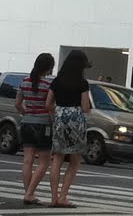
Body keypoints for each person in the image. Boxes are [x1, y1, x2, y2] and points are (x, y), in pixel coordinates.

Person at [44, 49, 92, 208]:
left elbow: (48, 103)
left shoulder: (57, 81)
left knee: (57, 158)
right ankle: (63, 196)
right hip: (76, 121)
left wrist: (56, 113)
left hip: (60, 117)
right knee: (74, 160)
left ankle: (53, 197)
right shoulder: (82, 83)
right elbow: (85, 107)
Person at [17, 52, 56, 206]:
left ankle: (28, 192)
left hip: (26, 123)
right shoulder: (48, 85)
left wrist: (26, 113)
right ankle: (30, 193)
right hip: (43, 124)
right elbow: (50, 106)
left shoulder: (25, 82)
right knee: (44, 162)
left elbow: (17, 103)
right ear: (48, 68)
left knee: (28, 160)